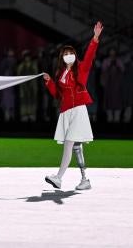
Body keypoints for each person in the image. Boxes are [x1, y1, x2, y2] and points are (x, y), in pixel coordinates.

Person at [43, 22, 103, 191]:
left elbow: (91, 54)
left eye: (71, 53)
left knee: (70, 144)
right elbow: (58, 95)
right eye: (66, 53)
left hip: (78, 111)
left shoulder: (81, 68)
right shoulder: (61, 73)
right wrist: (49, 83)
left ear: (75, 55)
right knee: (76, 146)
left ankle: (59, 178)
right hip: (66, 112)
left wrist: (95, 38)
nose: (68, 55)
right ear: (62, 57)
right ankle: (85, 179)